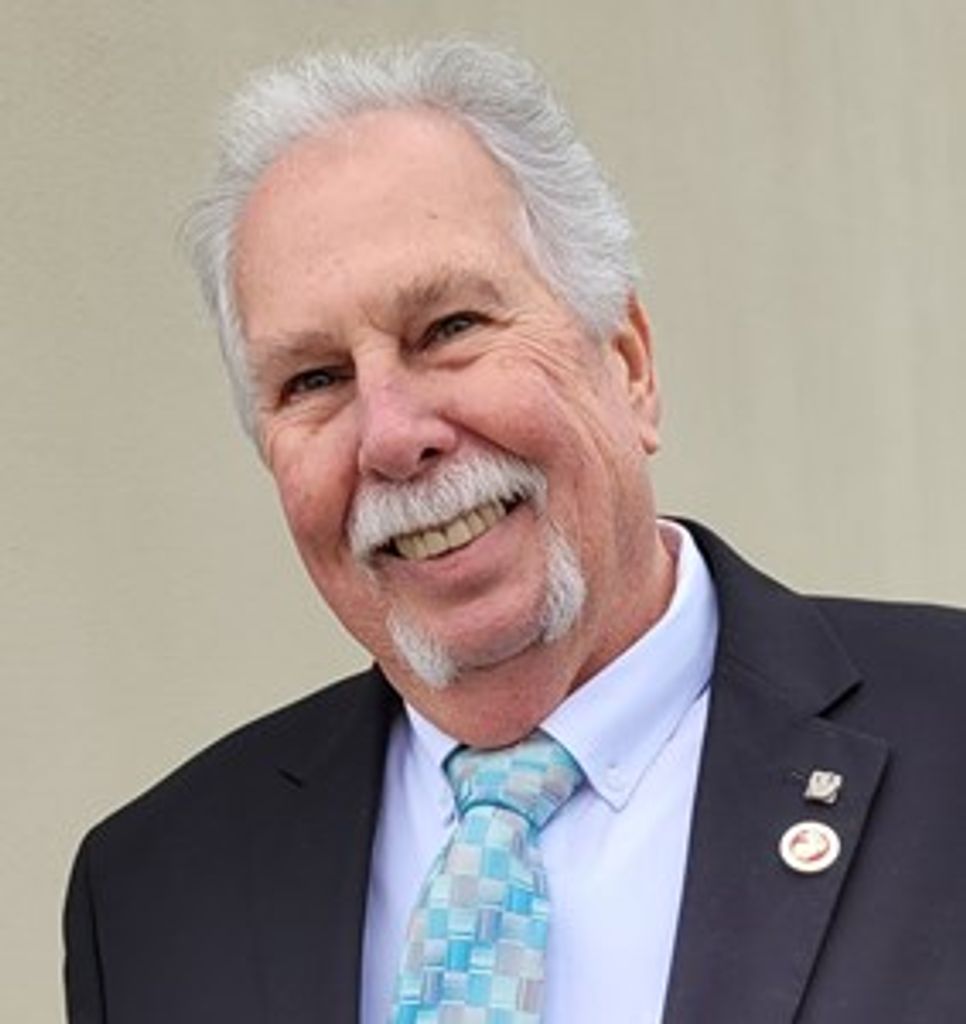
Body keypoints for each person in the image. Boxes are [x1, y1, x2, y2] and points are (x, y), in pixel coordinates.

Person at [64, 41, 966, 1024]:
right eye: (315, 380)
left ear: (628, 364)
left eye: (449, 328)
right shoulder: (152, 895)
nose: (391, 436)